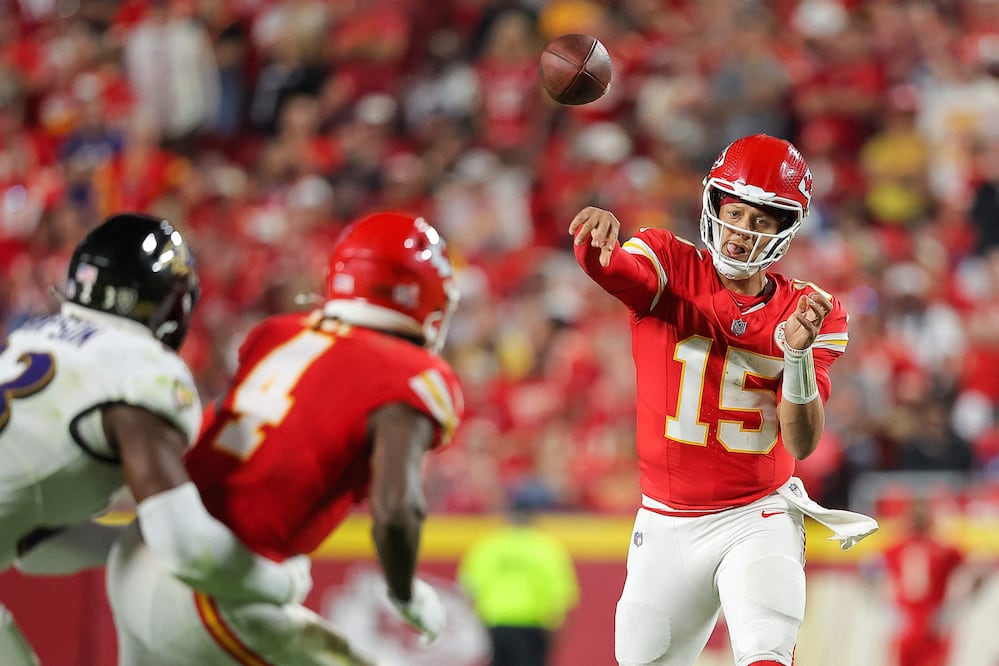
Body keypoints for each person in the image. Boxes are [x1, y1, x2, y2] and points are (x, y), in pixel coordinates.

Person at [568, 133, 879, 666]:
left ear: (785, 229)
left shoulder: (809, 310)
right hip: (665, 520)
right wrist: (594, 246)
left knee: (766, 653)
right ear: (713, 205)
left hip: (757, 514)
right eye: (734, 212)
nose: (741, 231)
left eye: (760, 220)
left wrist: (797, 357)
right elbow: (618, 270)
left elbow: (802, 442)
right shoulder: (669, 261)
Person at [106, 211, 465, 665]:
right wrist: (405, 592)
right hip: (211, 583)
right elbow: (397, 510)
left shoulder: (280, 333)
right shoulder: (410, 373)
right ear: (420, 293)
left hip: (145, 548)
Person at [0, 214, 312, 666]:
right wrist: (280, 582)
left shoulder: (31, 338)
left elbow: (33, 547)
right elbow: (186, 546)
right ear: (169, 303)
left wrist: (130, 545)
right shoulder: (140, 372)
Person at [458, 498, 580, 666]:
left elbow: (469, 590)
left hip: (494, 626)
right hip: (532, 627)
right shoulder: (545, 548)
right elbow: (560, 595)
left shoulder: (488, 546)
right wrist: (556, 629)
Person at [881, 497, 968, 666]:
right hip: (932, 625)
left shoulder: (894, 548)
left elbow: (875, 575)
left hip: (906, 623)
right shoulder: (945, 550)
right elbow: (969, 573)